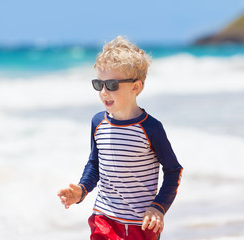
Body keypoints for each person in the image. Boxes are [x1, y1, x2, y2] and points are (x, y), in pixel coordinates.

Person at [57, 36, 183, 240]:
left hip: (140, 224)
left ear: (136, 87)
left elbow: (173, 170)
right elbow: (95, 164)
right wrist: (81, 190)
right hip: (103, 218)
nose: (104, 92)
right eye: (99, 84)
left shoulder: (151, 128)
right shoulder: (98, 122)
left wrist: (159, 207)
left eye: (112, 85)